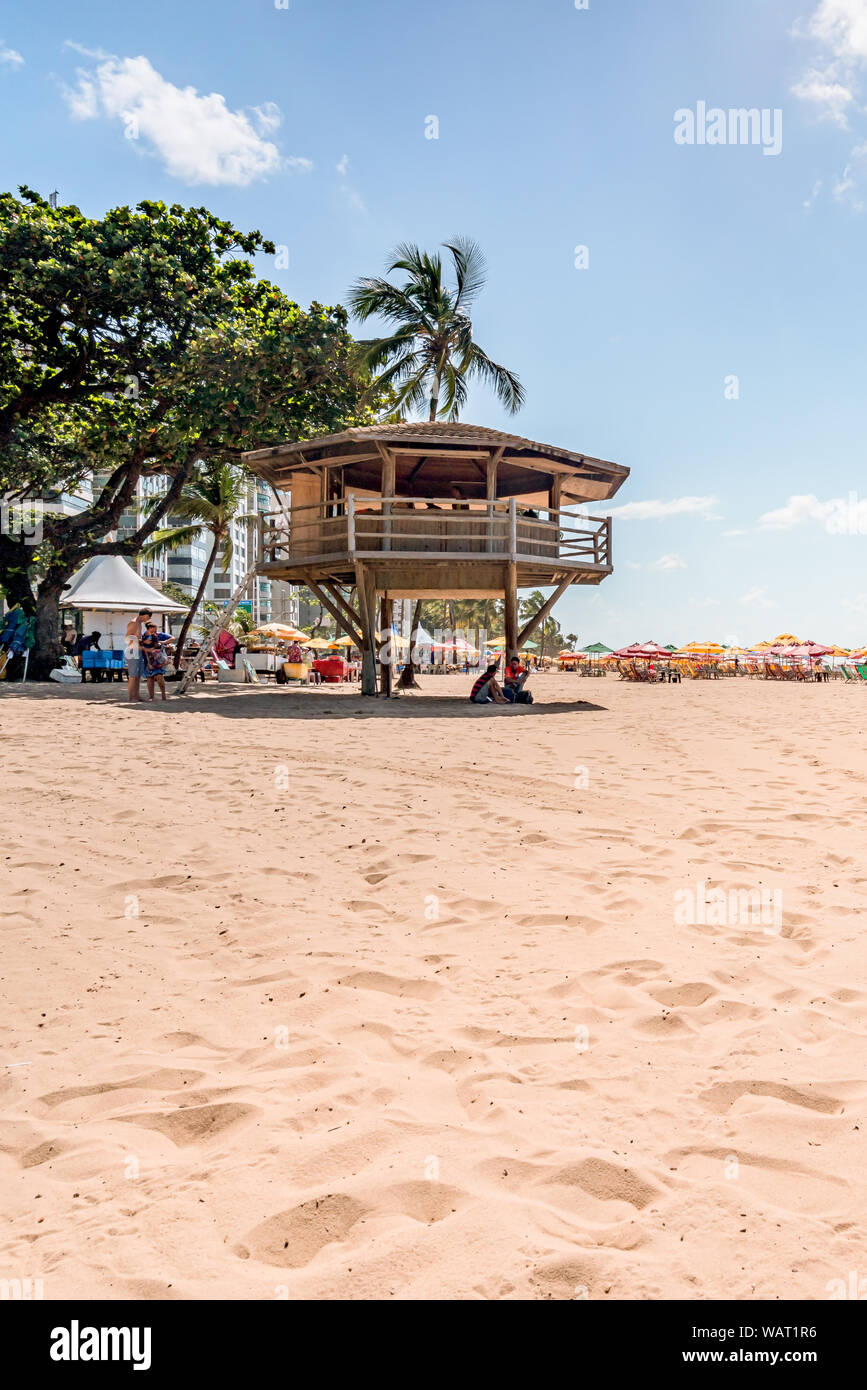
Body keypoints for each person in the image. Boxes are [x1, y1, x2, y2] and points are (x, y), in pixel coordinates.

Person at [125, 608, 152, 702]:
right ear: (144, 615)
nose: (147, 620)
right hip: (132, 651)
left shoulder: (139, 623)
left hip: (138, 650)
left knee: (138, 675)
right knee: (133, 676)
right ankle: (131, 697)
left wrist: (143, 641)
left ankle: (136, 695)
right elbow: (128, 638)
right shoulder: (133, 623)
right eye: (147, 617)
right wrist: (142, 645)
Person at [140, 622, 169, 701]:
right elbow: (145, 652)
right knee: (150, 678)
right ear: (148, 629)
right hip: (148, 661)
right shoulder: (143, 637)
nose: (154, 632)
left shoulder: (156, 638)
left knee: (159, 676)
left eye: (155, 630)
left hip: (158, 661)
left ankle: (163, 694)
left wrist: (164, 662)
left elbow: (162, 652)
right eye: (152, 630)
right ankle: (151, 696)